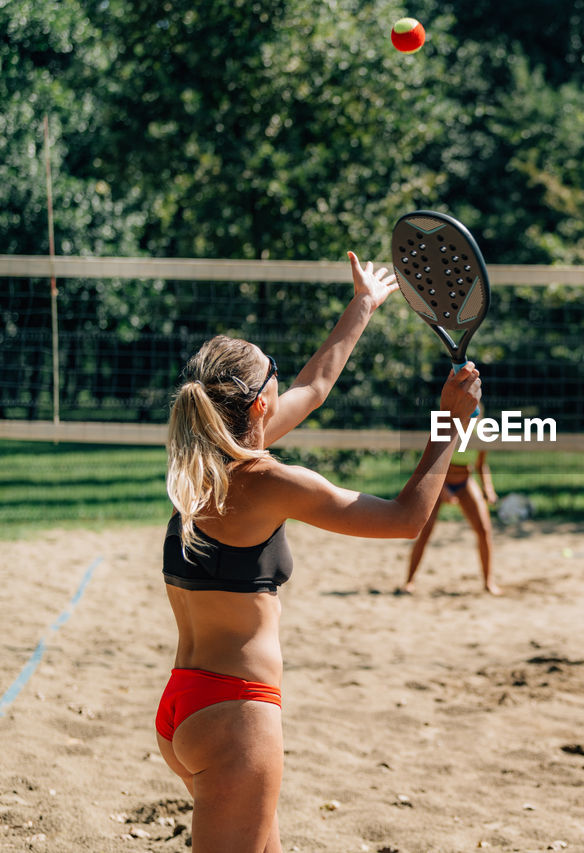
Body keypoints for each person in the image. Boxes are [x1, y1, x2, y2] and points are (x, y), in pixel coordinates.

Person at [156, 252, 481, 852]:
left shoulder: (202, 457)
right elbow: (408, 520)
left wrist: (364, 304)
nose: (285, 382)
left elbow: (316, 385)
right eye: (272, 372)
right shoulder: (275, 481)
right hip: (236, 715)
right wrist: (449, 424)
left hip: (186, 704)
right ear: (258, 404)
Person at [403, 449, 499, 594]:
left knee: (484, 529)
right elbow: (430, 463)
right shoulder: (448, 427)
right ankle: (409, 581)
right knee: (425, 530)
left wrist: (488, 488)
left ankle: (488, 583)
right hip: (438, 480)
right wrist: (442, 488)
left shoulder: (482, 429)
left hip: (465, 480)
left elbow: (481, 464)